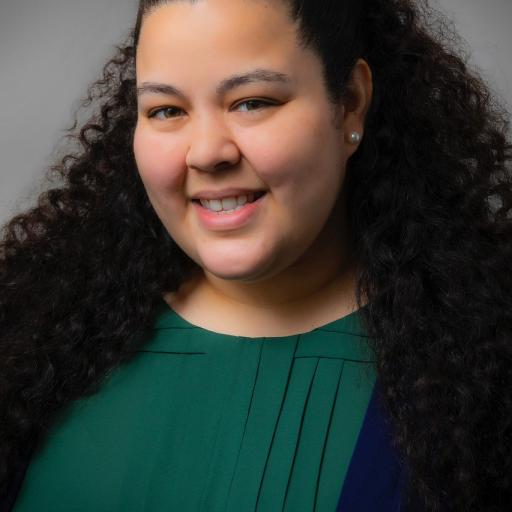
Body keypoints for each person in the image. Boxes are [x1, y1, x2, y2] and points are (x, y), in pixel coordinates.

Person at [1, 0, 511, 510]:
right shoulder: (32, 343)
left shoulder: (484, 368)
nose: (207, 152)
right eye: (167, 110)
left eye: (252, 102)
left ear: (350, 103)